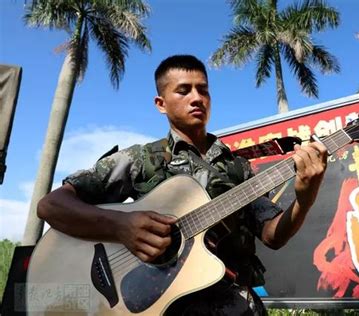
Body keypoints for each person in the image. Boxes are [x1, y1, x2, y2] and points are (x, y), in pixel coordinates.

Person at [37, 55, 328, 315]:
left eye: (203, 89)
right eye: (183, 90)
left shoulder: (239, 169)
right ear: (160, 104)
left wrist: (305, 198)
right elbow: (51, 206)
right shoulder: (140, 159)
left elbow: (272, 235)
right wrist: (119, 226)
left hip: (237, 306)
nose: (197, 98)